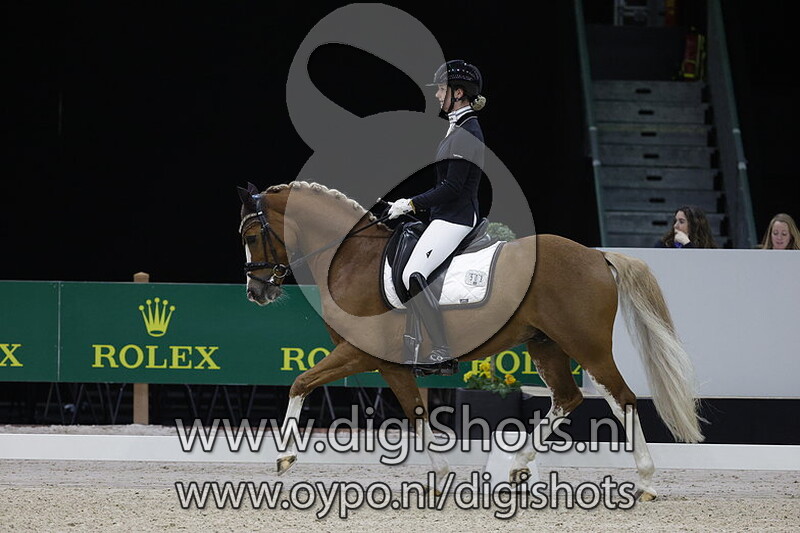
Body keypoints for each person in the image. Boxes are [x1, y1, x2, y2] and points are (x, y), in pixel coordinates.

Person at [386, 59, 487, 374]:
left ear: (458, 93)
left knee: (413, 273)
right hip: (444, 215)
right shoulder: (457, 127)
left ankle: (443, 351)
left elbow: (452, 188)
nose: (437, 94)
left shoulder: (467, 132)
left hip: (456, 217)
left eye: (441, 89)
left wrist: (411, 204)